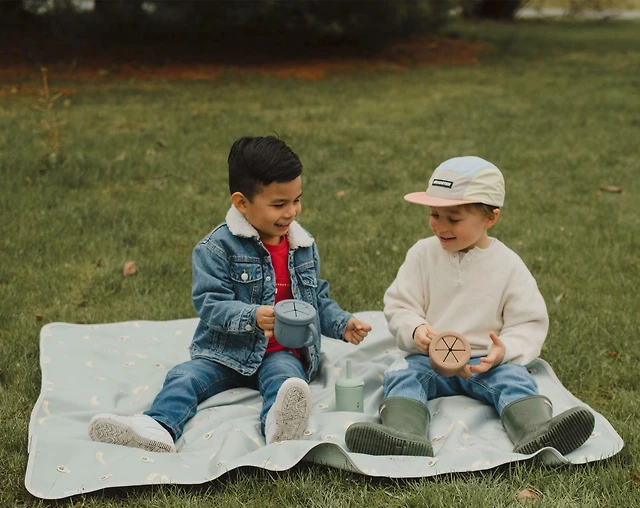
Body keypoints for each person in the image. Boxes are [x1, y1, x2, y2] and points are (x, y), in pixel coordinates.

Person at [89, 136, 372, 453]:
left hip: (282, 352)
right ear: (241, 203)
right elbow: (210, 304)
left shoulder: (303, 246)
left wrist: (342, 324)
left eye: (297, 200)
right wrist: (252, 316)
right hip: (225, 354)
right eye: (279, 204)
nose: (292, 212)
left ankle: (278, 425)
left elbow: (316, 299)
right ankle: (158, 426)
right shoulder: (216, 248)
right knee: (184, 377)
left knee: (287, 381)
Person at [345, 156, 594, 457]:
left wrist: (504, 350)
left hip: (485, 363)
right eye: (434, 214)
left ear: (490, 218)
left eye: (454, 219)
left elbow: (528, 322)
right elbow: (400, 304)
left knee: (516, 380)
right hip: (430, 358)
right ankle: (404, 434)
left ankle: (536, 430)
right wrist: (415, 329)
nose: (441, 226)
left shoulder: (508, 265)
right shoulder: (422, 254)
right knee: (401, 374)